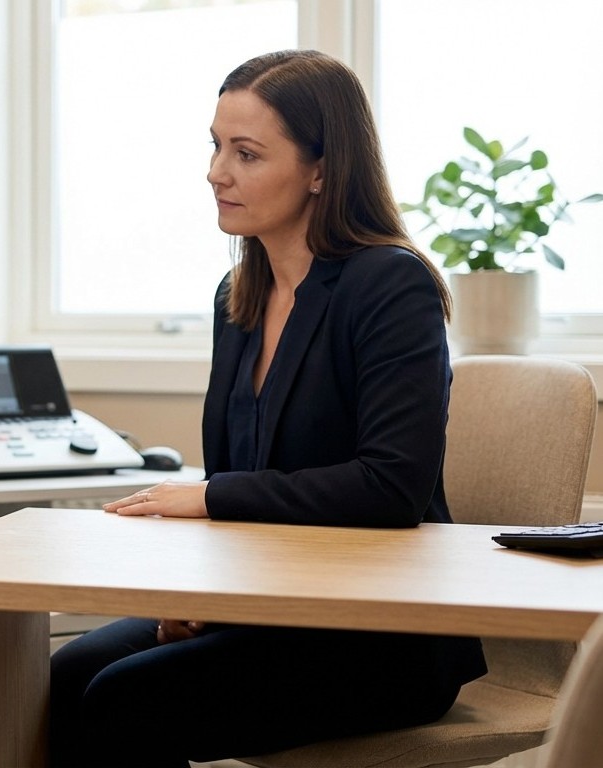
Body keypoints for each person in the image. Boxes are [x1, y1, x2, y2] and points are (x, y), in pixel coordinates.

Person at [48, 50, 487, 767]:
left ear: (321, 169)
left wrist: (208, 497)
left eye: (246, 153)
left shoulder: (388, 286)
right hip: (263, 606)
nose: (216, 171)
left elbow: (391, 486)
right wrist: (195, 589)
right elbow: (241, 476)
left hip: (380, 632)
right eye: (216, 146)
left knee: (123, 700)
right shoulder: (238, 298)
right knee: (63, 677)